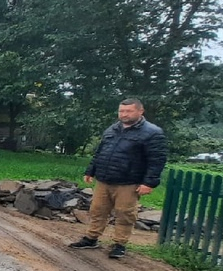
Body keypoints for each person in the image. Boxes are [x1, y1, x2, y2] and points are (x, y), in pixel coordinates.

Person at [68, 98, 168, 260]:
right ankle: (91, 238)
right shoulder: (112, 129)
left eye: (128, 111)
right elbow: (100, 152)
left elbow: (157, 160)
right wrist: (90, 170)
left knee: (125, 213)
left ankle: (119, 244)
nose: (124, 114)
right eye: (121, 111)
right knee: (97, 210)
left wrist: (149, 182)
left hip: (129, 181)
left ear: (140, 111)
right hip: (104, 178)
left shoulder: (152, 133)